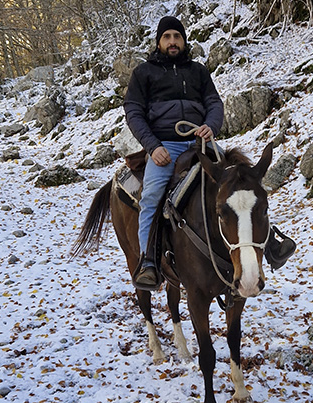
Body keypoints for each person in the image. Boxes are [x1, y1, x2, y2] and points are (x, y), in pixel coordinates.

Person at [124, 16, 294, 290]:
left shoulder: (198, 71)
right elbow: (133, 111)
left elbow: (213, 103)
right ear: (158, 41)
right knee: (152, 196)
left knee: (243, 181)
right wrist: (153, 147)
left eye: (176, 37)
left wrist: (209, 126)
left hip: (200, 142)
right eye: (166, 37)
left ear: (184, 40)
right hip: (163, 146)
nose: (172, 42)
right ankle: (149, 263)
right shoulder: (144, 73)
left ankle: (271, 244)